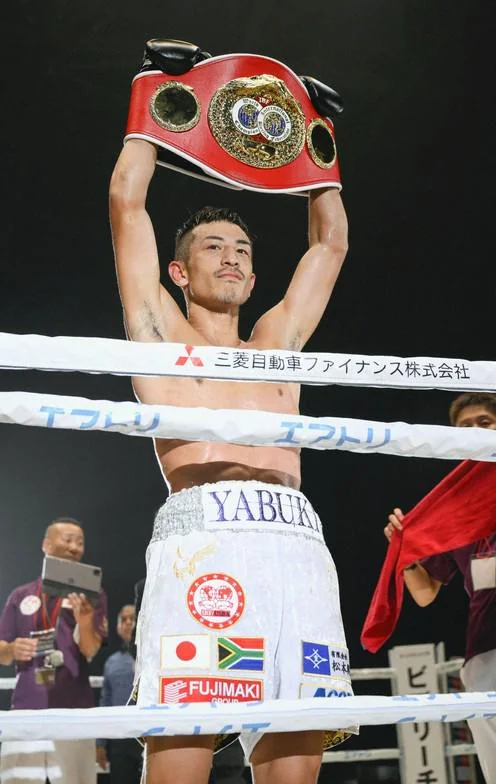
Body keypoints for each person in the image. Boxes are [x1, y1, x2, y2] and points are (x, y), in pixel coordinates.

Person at [110, 83, 352, 782]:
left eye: (243, 249)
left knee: (292, 768)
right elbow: (127, 204)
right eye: (213, 247)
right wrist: (152, 99)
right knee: (181, 760)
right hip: (205, 538)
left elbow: (330, 242)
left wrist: (317, 139)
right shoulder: (160, 335)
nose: (232, 257)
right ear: (179, 271)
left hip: (296, 541)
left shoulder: (278, 342)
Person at [384, 392, 496, 784]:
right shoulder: (453, 507)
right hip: (487, 650)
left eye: (484, 422)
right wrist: (405, 552)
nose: (475, 432)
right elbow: (425, 592)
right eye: (465, 427)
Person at [0, 518, 108, 784]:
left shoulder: (93, 595)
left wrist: (85, 622)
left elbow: (91, 650)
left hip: (75, 709)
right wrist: (12, 649)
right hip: (26, 706)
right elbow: (1, 651)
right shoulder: (21, 595)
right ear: (46, 545)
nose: (75, 547)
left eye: (80, 542)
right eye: (68, 540)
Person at [96, 604, 142, 783]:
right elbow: (105, 703)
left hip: (150, 735)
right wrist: (100, 744)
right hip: (120, 738)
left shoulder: (156, 657)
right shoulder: (111, 662)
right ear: (117, 626)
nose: (128, 623)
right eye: (124, 619)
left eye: (133, 618)